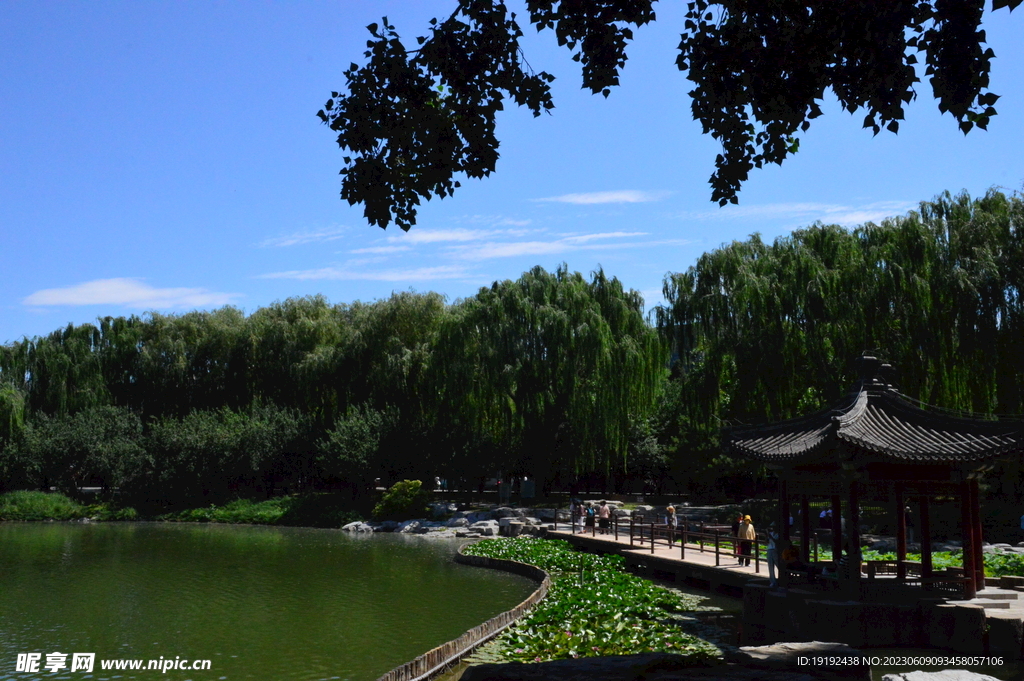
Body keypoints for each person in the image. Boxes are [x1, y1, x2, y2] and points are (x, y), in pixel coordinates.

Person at [766, 521, 780, 587]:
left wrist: (770, 536)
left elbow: (776, 542)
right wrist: (767, 535)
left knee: (778, 565)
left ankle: (782, 579)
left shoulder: (778, 534)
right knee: (770, 567)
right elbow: (767, 541)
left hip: (775, 550)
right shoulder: (770, 533)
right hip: (769, 549)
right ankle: (772, 581)